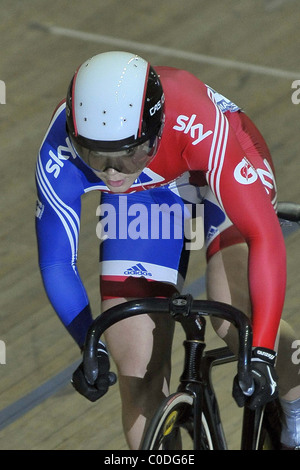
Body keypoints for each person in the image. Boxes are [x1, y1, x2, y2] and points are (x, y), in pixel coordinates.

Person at [35, 51, 300, 450]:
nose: (111, 172)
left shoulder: (196, 122)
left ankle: (296, 409)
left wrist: (260, 352)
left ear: (154, 130)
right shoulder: (59, 150)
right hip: (147, 191)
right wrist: (91, 345)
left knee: (234, 316)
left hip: (215, 161)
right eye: (96, 157)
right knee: (136, 368)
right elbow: (57, 261)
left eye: (127, 153)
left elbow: (264, 237)